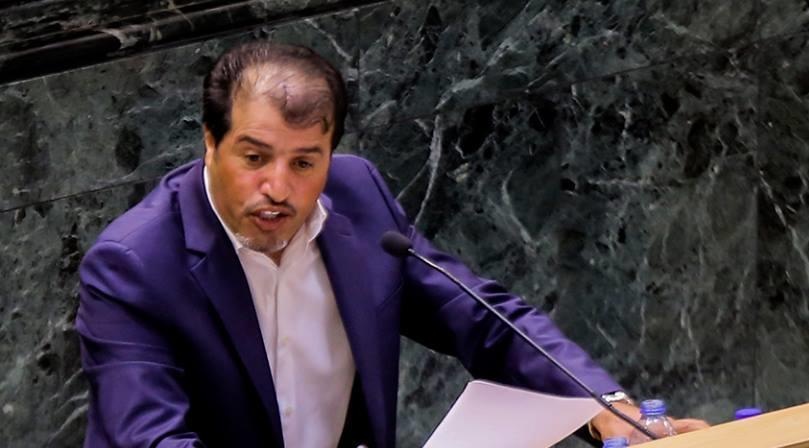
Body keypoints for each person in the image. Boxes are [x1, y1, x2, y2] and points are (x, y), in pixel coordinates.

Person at [76, 41, 707, 447]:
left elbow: (481, 320)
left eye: (304, 162)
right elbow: (152, 441)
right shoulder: (135, 265)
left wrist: (605, 408)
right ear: (210, 144)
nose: (278, 188)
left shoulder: (357, 199)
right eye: (255, 157)